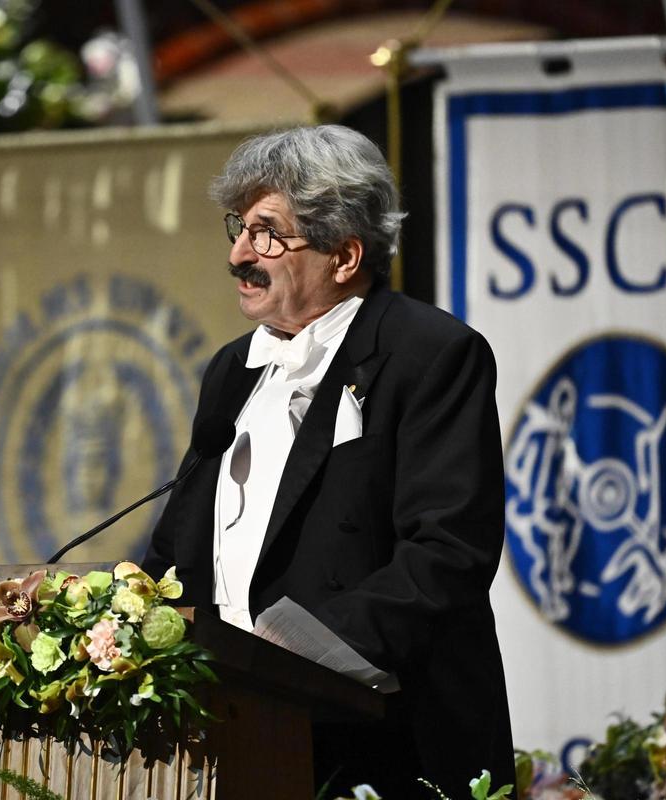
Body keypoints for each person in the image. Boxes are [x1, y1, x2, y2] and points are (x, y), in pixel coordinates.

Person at [141, 125, 513, 799]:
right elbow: (180, 547)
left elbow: (448, 553)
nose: (237, 254)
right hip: (227, 736)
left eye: (267, 234)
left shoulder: (430, 355)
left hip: (381, 740)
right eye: (238, 228)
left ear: (345, 256)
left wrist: (288, 654)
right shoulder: (232, 369)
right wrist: (113, 619)